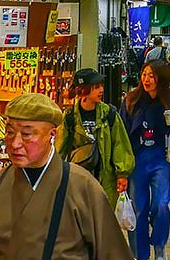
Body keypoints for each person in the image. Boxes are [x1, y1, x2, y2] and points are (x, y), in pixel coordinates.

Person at [0, 93, 130, 260]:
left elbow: (113, 252)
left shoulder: (82, 186)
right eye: (10, 132)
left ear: (52, 135)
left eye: (26, 134)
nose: (15, 143)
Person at [121, 61, 170, 260]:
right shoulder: (131, 100)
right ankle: (140, 254)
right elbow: (122, 133)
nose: (146, 79)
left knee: (161, 204)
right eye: (144, 74)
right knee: (139, 208)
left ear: (161, 79)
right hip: (137, 159)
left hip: (160, 159)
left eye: (152, 76)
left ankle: (159, 244)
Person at [56, 68, 135, 209]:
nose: (101, 90)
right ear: (84, 90)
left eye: (101, 86)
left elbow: (120, 144)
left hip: (105, 179)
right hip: (78, 178)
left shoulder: (109, 114)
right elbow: (60, 148)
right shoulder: (70, 117)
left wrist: (122, 174)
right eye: (96, 87)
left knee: (102, 216)